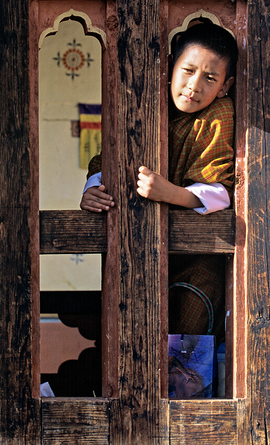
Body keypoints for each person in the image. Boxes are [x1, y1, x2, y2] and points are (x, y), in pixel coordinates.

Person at [80, 18, 238, 342]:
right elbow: (108, 160)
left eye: (210, 78)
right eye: (188, 71)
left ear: (224, 85)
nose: (195, 86)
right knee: (127, 333)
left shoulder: (218, 114)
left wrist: (168, 192)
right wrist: (93, 189)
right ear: (169, 67)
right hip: (140, 245)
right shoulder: (147, 107)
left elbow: (221, 194)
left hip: (197, 254)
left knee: (184, 345)